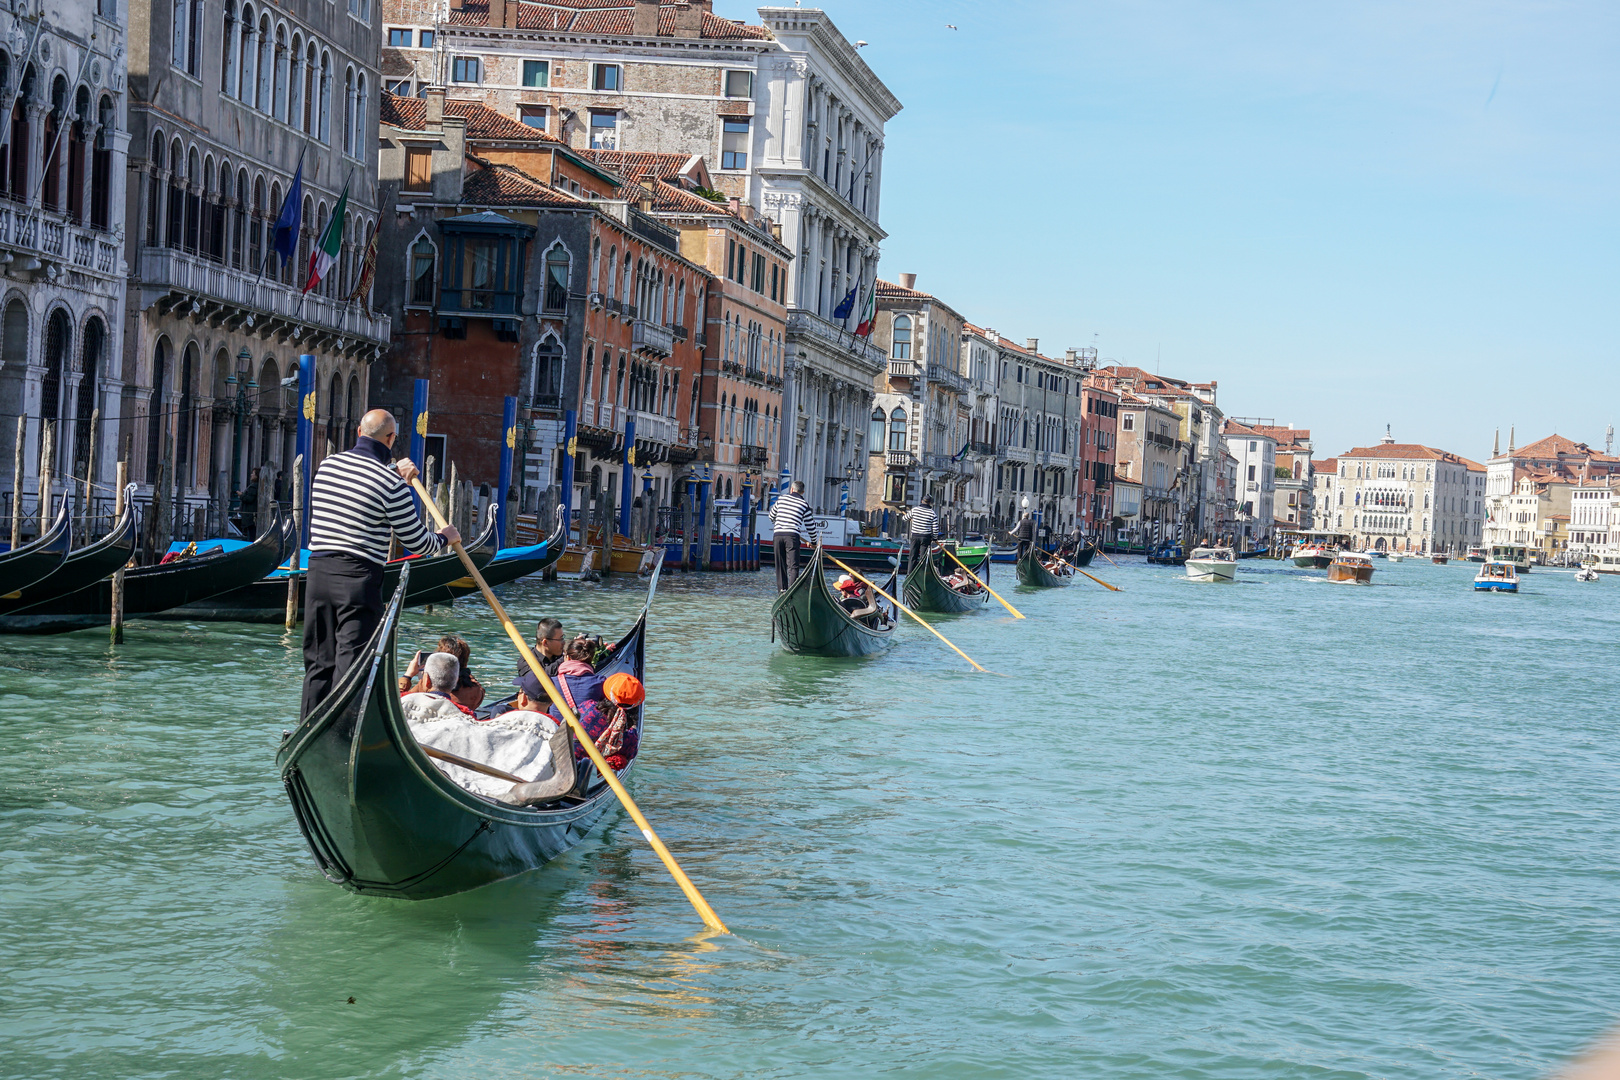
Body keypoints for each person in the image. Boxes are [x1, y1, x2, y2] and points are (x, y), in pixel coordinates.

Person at [300, 409, 459, 718]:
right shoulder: (391, 483)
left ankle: (308, 725)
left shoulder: (328, 465)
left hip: (318, 572)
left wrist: (391, 472)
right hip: (357, 579)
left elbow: (360, 487)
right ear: (391, 439)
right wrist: (444, 537)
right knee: (350, 664)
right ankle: (340, 731)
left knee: (318, 661)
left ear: (359, 431)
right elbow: (417, 543)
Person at [400, 634, 484, 710]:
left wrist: (408, 676)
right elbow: (480, 690)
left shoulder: (425, 685)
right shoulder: (475, 691)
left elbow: (397, 700)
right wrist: (462, 668)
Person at [400, 652, 477, 724]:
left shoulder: (402, 701)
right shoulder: (466, 714)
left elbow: (391, 697)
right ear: (456, 681)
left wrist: (407, 675)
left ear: (427, 680)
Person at [768, 480, 818, 591]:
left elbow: (771, 516)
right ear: (802, 492)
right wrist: (814, 542)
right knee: (793, 566)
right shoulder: (804, 504)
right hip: (792, 535)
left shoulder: (781, 499)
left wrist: (780, 521)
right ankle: (791, 592)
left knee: (780, 565)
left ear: (791, 489)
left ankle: (782, 591)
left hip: (777, 535)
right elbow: (811, 526)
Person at [903, 496, 939, 579]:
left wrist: (911, 518)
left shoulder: (915, 510)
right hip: (925, 537)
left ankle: (909, 575)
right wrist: (934, 538)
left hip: (915, 536)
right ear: (930, 503)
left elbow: (904, 518)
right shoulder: (932, 513)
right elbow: (935, 528)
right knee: (923, 558)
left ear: (922, 501)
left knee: (913, 556)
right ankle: (921, 576)